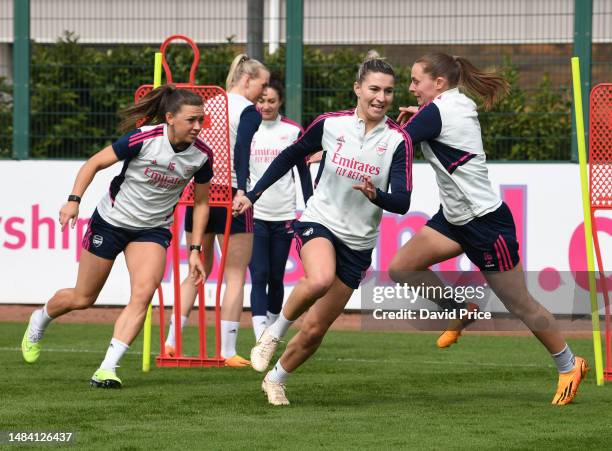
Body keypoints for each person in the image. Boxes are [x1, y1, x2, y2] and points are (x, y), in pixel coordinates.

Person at [390, 52, 587, 405]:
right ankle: (460, 310)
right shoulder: (448, 105)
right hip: (454, 219)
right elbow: (412, 132)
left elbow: (392, 144)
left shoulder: (443, 110)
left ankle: (569, 364)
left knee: (521, 304)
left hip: (484, 224)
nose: (410, 87)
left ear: (439, 83)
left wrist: (332, 148)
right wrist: (415, 117)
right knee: (402, 267)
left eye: (415, 80)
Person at [233, 52, 413, 405]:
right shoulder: (331, 125)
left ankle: (276, 379)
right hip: (320, 221)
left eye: (388, 91)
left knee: (316, 328)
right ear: (357, 89)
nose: (381, 97)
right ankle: (273, 333)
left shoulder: (398, 141)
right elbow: (290, 156)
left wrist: (378, 196)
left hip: (359, 242)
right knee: (319, 278)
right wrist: (253, 194)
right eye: (374, 89)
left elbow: (403, 202)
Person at [21, 85, 213, 388]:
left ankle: (107, 369)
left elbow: (202, 203)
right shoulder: (145, 138)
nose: (198, 126)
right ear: (170, 118)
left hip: (152, 229)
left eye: (201, 120)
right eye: (192, 120)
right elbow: (93, 163)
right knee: (83, 297)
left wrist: (194, 249)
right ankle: (40, 318)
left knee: (143, 293)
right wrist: (73, 200)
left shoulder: (202, 155)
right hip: (111, 221)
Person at [164, 54, 270, 367]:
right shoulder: (248, 111)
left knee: (196, 270)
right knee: (235, 273)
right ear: (247, 79)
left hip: (197, 192)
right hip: (229, 194)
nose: (263, 94)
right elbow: (241, 151)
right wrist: (242, 191)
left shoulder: (206, 106)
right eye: (262, 85)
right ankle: (227, 350)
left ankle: (172, 341)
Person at [248, 80, 313, 340]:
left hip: (284, 214)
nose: (265, 106)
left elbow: (303, 172)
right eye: (261, 101)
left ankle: (272, 332)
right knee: (259, 274)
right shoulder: (246, 130)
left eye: (271, 101)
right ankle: (259, 335)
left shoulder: (293, 131)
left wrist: (310, 204)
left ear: (280, 102)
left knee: (276, 277)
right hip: (254, 214)